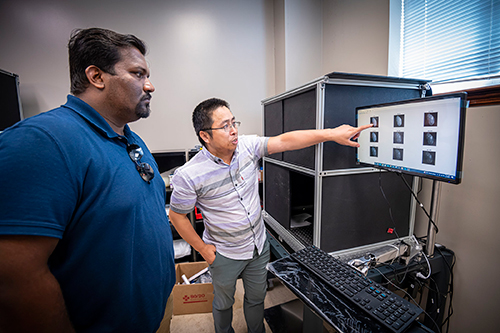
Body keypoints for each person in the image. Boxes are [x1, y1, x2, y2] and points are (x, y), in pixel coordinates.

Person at [0, 28, 175, 332]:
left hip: (152, 314)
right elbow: (13, 277)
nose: (150, 86)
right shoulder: (43, 140)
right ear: (96, 76)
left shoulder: (131, 140)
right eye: (138, 74)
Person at [168, 97, 372, 333]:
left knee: (256, 299)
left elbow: (285, 140)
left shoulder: (247, 146)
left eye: (234, 123)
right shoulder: (189, 174)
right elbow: (177, 216)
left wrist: (330, 134)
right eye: (225, 126)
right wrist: (203, 250)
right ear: (205, 135)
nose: (234, 130)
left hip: (257, 246)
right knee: (224, 303)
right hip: (223, 253)